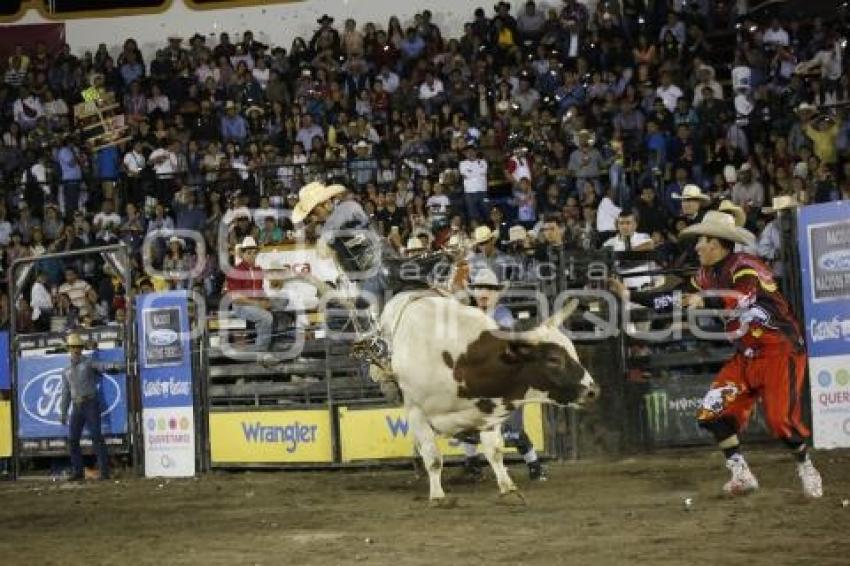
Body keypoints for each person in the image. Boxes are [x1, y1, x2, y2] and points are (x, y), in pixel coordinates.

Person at [611, 212, 823, 498]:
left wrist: (705, 298)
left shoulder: (747, 266)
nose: (697, 246)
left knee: (779, 423)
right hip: (746, 355)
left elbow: (742, 298)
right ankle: (741, 472)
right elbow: (676, 297)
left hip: (779, 352)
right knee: (711, 413)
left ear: (719, 244)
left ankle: (805, 465)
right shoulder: (705, 275)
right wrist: (630, 295)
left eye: (703, 240)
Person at [458, 268, 547, 481]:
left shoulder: (503, 315)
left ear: (496, 293)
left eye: (488, 288)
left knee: (512, 431)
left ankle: (535, 465)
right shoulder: (471, 316)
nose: (483, 292)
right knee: (469, 425)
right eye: (479, 288)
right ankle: (472, 465)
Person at [59, 333, 110, 481]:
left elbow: (101, 367)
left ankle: (104, 472)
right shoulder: (66, 370)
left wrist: (110, 367)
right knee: (73, 439)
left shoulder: (88, 362)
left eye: (78, 347)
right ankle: (78, 472)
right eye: (73, 347)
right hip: (77, 405)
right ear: (69, 349)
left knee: (96, 436)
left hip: (90, 403)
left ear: (81, 349)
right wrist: (63, 412)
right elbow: (66, 393)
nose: (75, 349)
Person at [225, 236, 273, 359]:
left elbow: (260, 289)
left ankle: (278, 343)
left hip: (254, 303)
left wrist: (266, 300)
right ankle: (261, 352)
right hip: (241, 306)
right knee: (266, 318)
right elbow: (235, 297)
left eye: (254, 253)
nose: (252, 256)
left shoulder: (258, 270)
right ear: (243, 254)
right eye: (249, 253)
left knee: (282, 305)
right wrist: (258, 304)